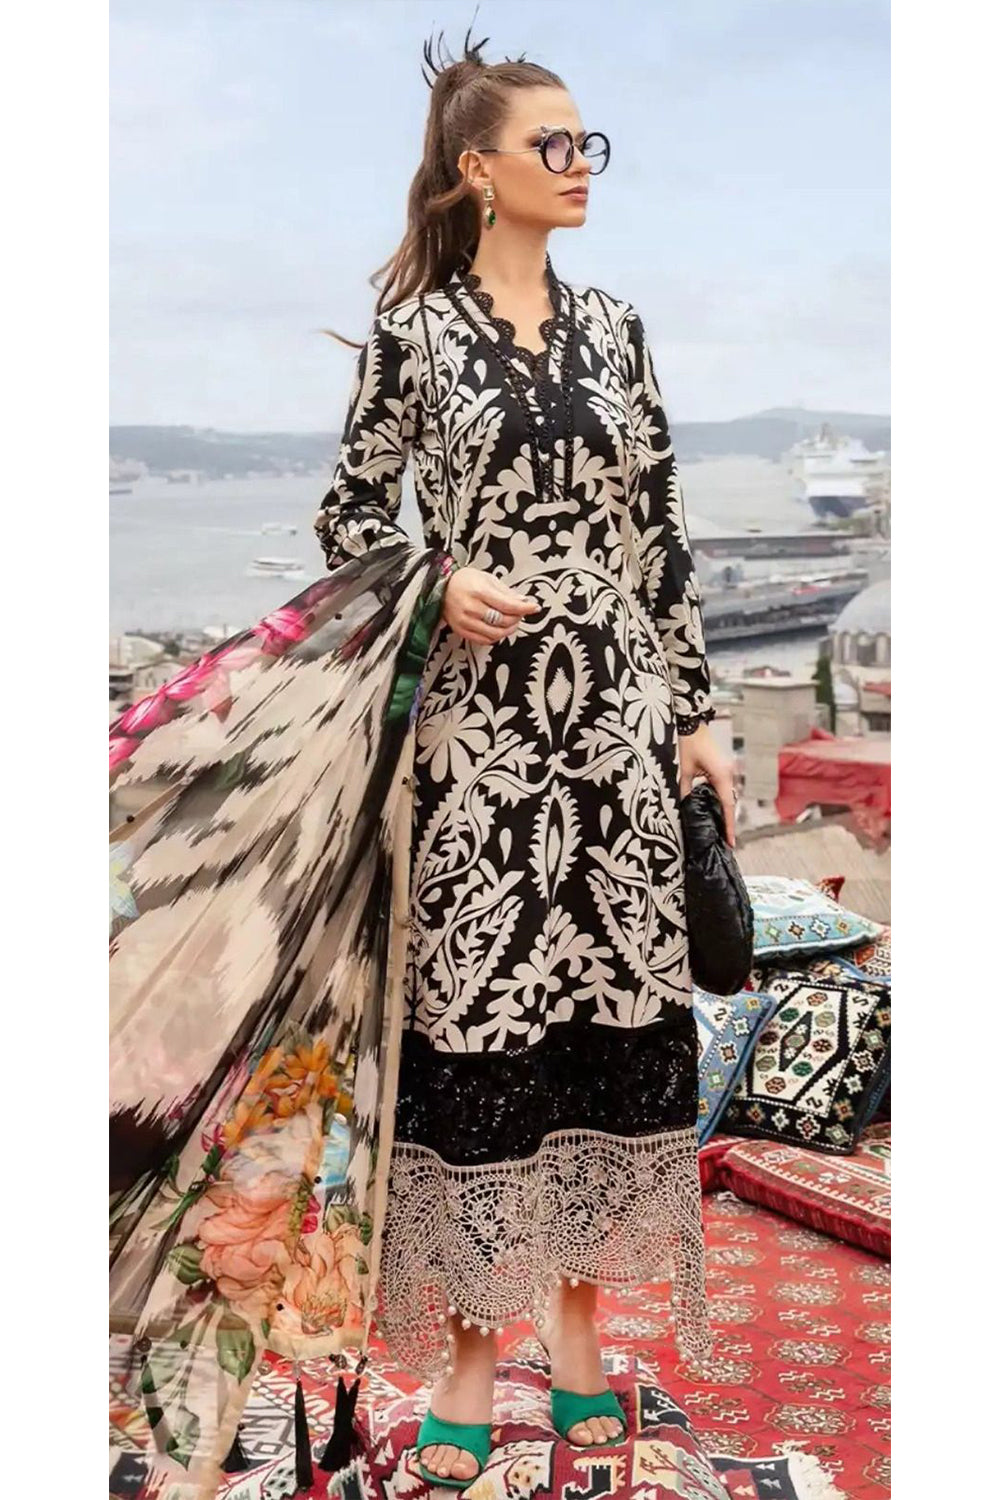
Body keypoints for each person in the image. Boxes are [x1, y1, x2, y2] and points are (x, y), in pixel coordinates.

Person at [312, 30, 736, 1490]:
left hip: (614, 728)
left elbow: (659, 534)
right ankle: (467, 1357)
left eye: (587, 143)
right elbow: (350, 522)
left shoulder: (619, 327)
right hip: (479, 743)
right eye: (553, 144)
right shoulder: (414, 339)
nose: (581, 165)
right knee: (482, 1030)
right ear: (477, 170)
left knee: (607, 1027)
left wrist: (696, 717)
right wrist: (437, 584)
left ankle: (579, 1339)